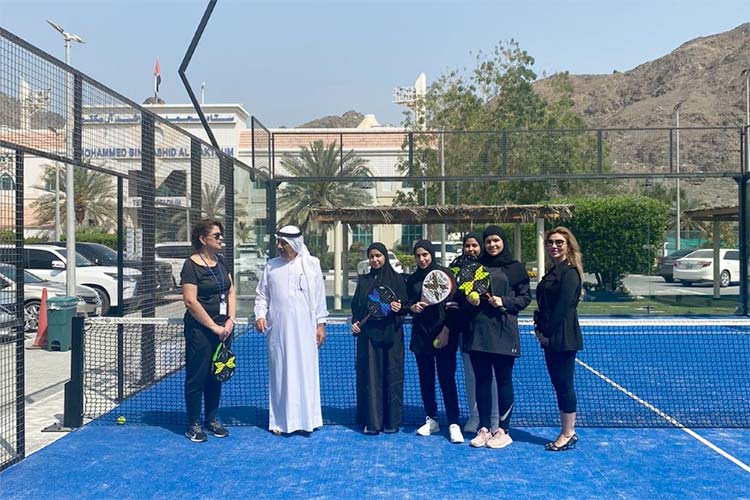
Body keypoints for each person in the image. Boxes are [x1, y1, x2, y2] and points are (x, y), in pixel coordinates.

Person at [254, 225, 328, 435]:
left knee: (306, 373)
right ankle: (279, 422)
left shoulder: (312, 265)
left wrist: (320, 324)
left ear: (295, 243)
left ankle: (308, 421)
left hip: (306, 331)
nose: (279, 247)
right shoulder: (271, 267)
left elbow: (320, 297)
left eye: (283, 243)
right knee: (280, 373)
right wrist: (260, 315)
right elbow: (262, 296)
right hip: (278, 331)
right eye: (278, 242)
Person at [465, 225, 531, 449]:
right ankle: (484, 428)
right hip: (478, 332)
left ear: (503, 242)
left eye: (496, 241)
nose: (492, 245)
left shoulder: (515, 268)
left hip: (504, 332)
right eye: (488, 241)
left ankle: (503, 430)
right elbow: (465, 294)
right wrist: (470, 301)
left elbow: (524, 299)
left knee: (503, 381)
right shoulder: (476, 267)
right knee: (482, 381)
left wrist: (505, 301)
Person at [181, 219, 236, 442]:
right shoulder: (191, 265)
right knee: (197, 377)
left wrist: (231, 320)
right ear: (203, 239)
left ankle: (211, 419)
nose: (221, 238)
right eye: (216, 235)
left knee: (217, 374)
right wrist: (213, 327)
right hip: (201, 332)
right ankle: (193, 423)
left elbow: (231, 291)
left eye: (221, 234)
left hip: (224, 331)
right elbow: (190, 301)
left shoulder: (221, 262)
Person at [407, 240, 463, 444]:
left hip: (444, 335)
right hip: (421, 336)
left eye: (425, 255)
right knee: (426, 379)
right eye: (418, 255)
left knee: (447, 378)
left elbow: (454, 305)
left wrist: (446, 330)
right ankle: (431, 419)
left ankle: (454, 422)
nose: (422, 259)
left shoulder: (446, 274)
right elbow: (408, 303)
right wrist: (412, 307)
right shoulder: (412, 280)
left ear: (431, 254)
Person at [534, 226, 584, 451]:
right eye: (551, 242)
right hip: (550, 336)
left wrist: (546, 333)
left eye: (559, 243)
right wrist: (539, 326)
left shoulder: (570, 273)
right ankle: (567, 431)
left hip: (563, 336)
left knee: (564, 384)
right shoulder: (553, 271)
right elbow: (545, 305)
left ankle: (568, 432)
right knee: (558, 383)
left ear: (568, 246)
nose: (554, 246)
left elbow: (562, 307)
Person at [351, 242, 408, 435]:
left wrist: (399, 309)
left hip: (392, 336)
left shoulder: (398, 280)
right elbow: (357, 306)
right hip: (369, 338)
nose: (375, 260)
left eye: (379, 256)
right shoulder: (364, 281)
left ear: (385, 257)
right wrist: (355, 322)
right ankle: (373, 422)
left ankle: (391, 422)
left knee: (392, 376)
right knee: (371, 378)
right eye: (372, 256)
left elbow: (404, 305)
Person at [448, 232, 499, 434]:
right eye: (467, 245)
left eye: (475, 245)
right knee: (470, 375)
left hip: (489, 330)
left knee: (491, 376)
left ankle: (494, 418)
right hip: (466, 330)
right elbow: (452, 294)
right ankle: (474, 416)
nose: (471, 249)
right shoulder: (456, 267)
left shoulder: (489, 268)